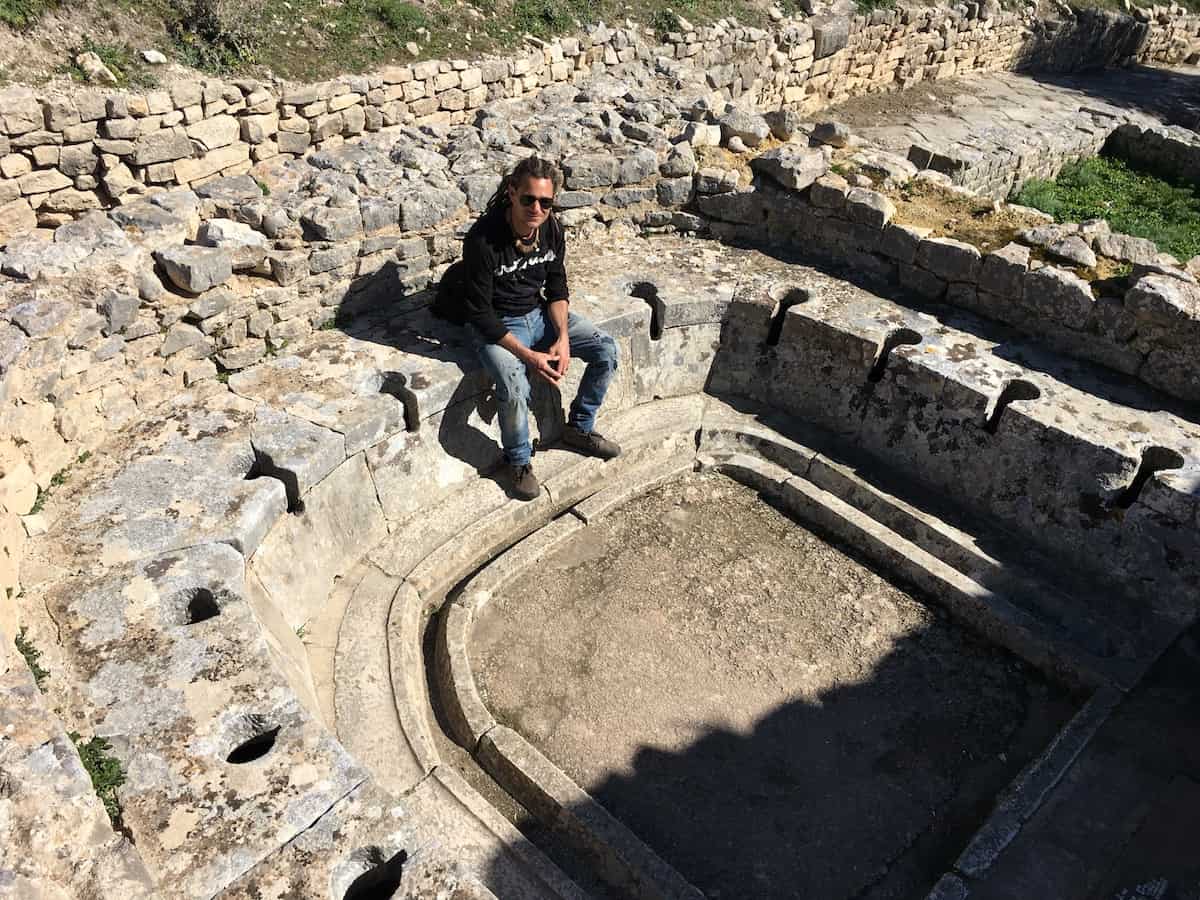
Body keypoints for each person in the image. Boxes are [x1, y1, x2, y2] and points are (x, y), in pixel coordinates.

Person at [456, 155, 621, 501]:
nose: (536, 208)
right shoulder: (483, 240)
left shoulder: (551, 229)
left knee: (606, 349)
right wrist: (528, 356)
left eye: (545, 202)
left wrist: (562, 337)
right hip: (498, 326)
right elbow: (480, 314)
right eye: (528, 199)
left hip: (538, 314)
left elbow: (558, 287)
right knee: (514, 386)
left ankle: (579, 427)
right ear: (513, 193)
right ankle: (518, 462)